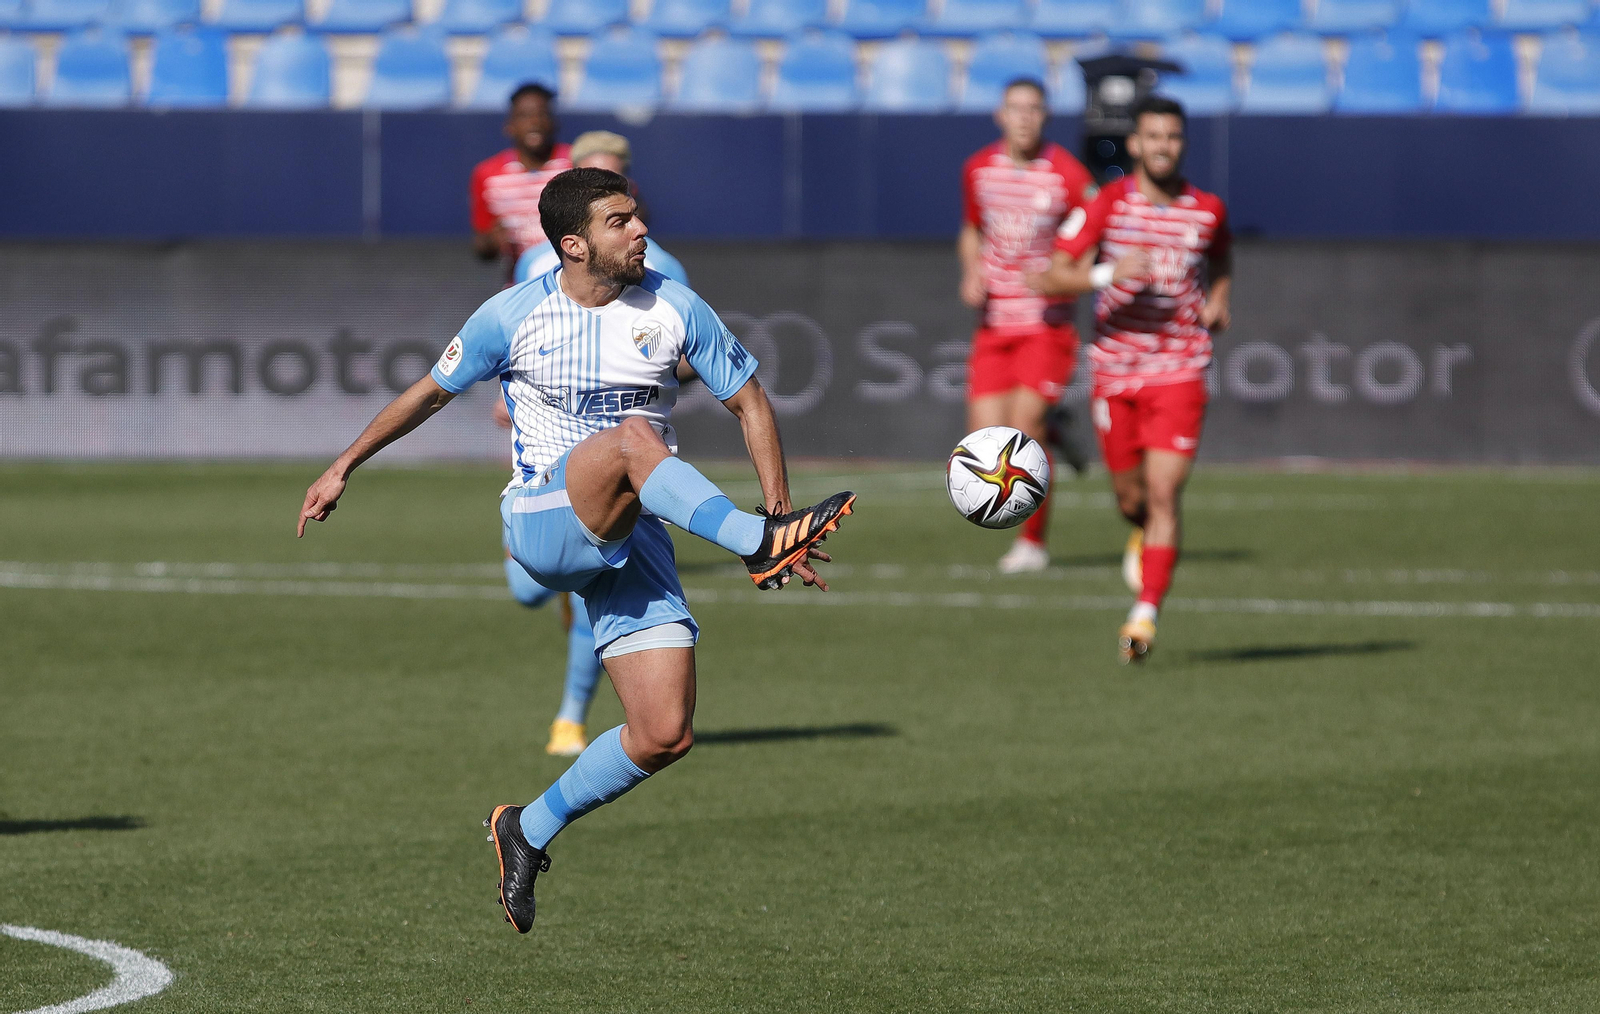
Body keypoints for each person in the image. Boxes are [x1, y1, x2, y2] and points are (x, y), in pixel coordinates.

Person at [297, 168, 857, 932]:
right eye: (620, 221)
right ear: (573, 245)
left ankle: (525, 829)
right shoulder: (513, 314)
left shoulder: (674, 306)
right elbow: (429, 391)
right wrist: (342, 465)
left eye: (639, 217)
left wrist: (784, 514)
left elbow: (749, 400)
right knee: (635, 436)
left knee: (664, 731)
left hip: (632, 531)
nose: (640, 231)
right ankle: (754, 544)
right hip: (544, 521)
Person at [1026, 95, 1232, 663]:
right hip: (1116, 372)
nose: (1162, 146)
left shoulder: (1208, 208)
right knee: (1131, 498)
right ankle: (1139, 530)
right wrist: (1107, 272)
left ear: (1182, 143)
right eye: (1153, 137)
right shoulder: (1109, 204)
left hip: (1180, 369)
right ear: (1136, 144)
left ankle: (1144, 615)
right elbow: (1049, 277)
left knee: (1164, 493)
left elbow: (1221, 259)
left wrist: (1219, 298)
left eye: (1172, 136)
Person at [959, 77, 1097, 575]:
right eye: (1015, 108)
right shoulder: (978, 169)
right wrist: (971, 269)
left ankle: (1032, 544)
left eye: (1033, 108)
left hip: (1047, 324)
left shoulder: (1067, 175)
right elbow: (972, 230)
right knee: (983, 441)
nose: (1023, 117)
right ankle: (1057, 427)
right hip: (994, 324)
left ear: (1045, 116)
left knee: (1023, 436)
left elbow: (1092, 244)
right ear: (1000, 114)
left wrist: (1063, 275)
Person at [514, 130, 688, 286]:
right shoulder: (533, 263)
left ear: (629, 185)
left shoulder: (662, 267)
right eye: (587, 180)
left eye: (611, 181)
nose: (599, 191)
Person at [471, 83, 572, 285]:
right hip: (520, 286)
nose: (534, 123)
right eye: (524, 115)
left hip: (574, 286)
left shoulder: (577, 164)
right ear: (509, 126)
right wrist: (492, 241)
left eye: (542, 114)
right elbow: (482, 244)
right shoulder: (487, 175)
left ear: (554, 123)